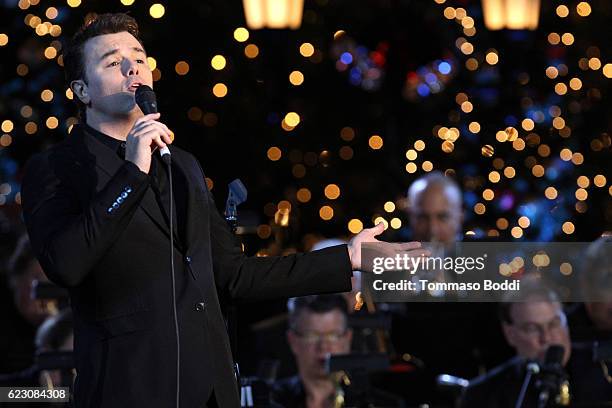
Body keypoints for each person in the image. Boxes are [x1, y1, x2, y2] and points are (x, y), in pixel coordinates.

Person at [21, 13, 424, 408]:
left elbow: (234, 276)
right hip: (129, 386)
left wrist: (347, 260)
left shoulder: (182, 164)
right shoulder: (56, 168)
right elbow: (67, 263)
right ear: (82, 90)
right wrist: (131, 172)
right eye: (113, 62)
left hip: (211, 389)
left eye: (139, 58)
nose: (133, 68)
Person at [460, 278, 612, 408]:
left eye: (553, 324)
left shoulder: (605, 368)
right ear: (510, 334)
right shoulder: (483, 395)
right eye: (532, 328)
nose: (546, 338)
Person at [272, 294, 403, 408]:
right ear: (292, 341)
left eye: (333, 335)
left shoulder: (382, 403)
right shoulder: (270, 400)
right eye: (311, 336)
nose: (324, 346)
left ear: (348, 338)